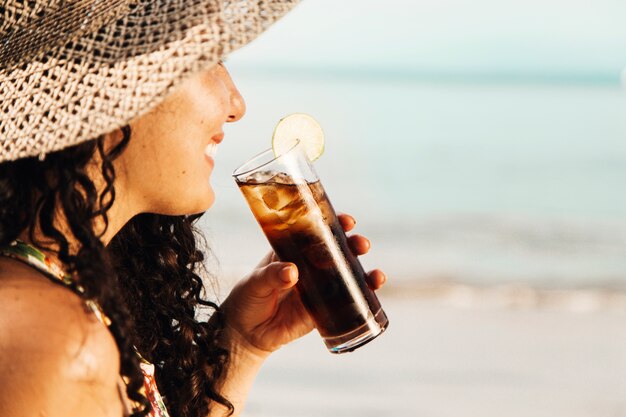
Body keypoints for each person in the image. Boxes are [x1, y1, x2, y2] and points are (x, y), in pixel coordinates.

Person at [0, 1, 387, 417]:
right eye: (208, 59)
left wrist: (242, 343)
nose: (237, 103)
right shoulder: (54, 343)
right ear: (113, 87)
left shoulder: (70, 289)